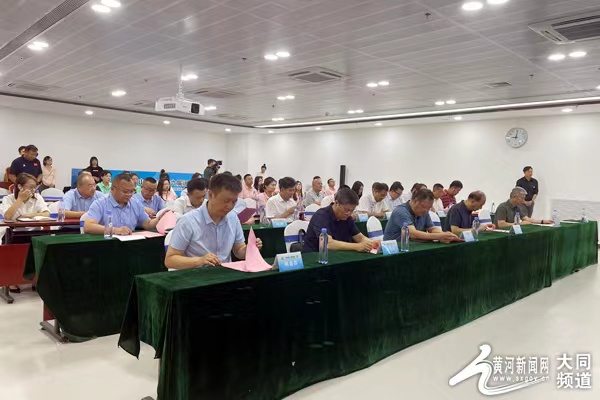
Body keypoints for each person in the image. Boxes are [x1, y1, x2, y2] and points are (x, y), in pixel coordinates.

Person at [165, 174, 263, 269]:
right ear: (211, 195)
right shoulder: (188, 221)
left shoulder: (233, 217)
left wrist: (250, 248)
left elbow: (238, 250)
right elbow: (170, 260)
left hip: (224, 274)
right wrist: (199, 261)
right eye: (225, 201)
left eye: (234, 201)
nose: (229, 206)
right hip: (197, 275)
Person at [85, 173, 165, 235]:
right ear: (113, 189)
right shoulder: (100, 204)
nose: (129, 195)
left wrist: (159, 219)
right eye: (125, 191)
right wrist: (115, 230)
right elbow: (88, 226)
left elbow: (147, 224)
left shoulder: (135, 204)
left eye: (132, 191)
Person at [304, 188, 374, 253]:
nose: (349, 213)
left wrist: (372, 243)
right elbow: (328, 244)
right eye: (346, 210)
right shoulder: (321, 216)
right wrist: (357, 246)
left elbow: (359, 237)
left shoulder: (348, 218)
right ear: (337, 203)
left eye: (352, 211)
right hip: (316, 256)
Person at [384, 189, 459, 243]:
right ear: (416, 202)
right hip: (396, 249)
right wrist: (439, 236)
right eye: (424, 207)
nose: (426, 210)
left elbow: (432, 228)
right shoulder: (401, 211)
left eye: (429, 208)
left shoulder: (424, 211)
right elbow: (413, 234)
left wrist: (444, 235)